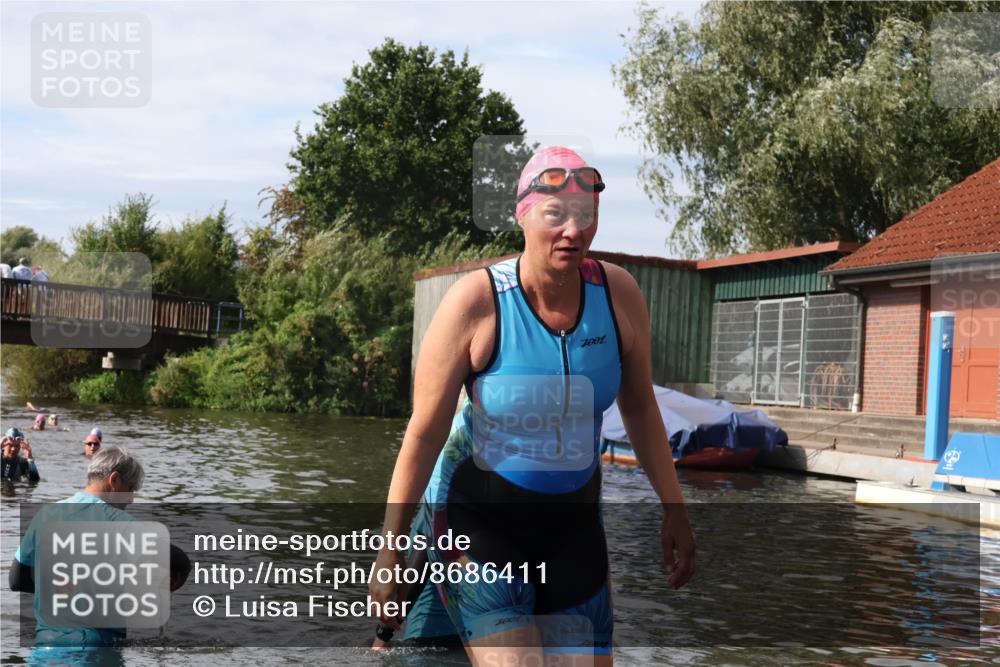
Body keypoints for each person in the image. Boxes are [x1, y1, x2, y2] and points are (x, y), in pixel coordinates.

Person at [370, 147, 696, 663]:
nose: (573, 230)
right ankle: (407, 614)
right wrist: (389, 552)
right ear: (523, 216)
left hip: (574, 529)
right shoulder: (476, 302)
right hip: (479, 520)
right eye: (556, 215)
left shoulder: (619, 294)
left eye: (586, 215)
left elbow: (640, 409)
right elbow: (424, 433)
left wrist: (674, 509)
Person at [8, 447, 158, 647]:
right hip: (97, 648)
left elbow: (17, 580)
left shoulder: (45, 515)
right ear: (114, 480)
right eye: (130, 489)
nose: (130, 499)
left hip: (46, 645)